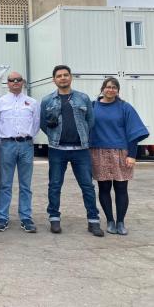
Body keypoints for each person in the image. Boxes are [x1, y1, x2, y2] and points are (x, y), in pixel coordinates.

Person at [40, 65, 104, 237]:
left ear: (71, 77)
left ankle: (93, 221)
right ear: (54, 80)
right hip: (57, 150)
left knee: (87, 186)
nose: (63, 78)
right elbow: (43, 124)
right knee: (54, 186)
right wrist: (55, 136)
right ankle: (54, 218)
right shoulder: (47, 101)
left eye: (65, 75)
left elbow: (90, 121)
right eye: (59, 76)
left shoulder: (83, 98)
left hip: (80, 150)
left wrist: (81, 135)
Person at [90, 77, 149, 235]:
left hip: (120, 153)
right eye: (108, 87)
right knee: (104, 187)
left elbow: (135, 132)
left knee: (121, 188)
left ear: (118, 90)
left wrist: (132, 155)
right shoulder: (92, 106)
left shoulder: (125, 107)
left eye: (114, 87)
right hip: (98, 151)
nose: (111, 90)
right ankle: (110, 220)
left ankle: (121, 222)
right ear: (102, 88)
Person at [0, 71, 40, 233]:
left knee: (25, 184)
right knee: (5, 183)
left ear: (23, 82)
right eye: (12, 80)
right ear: (8, 83)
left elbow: (36, 124)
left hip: (26, 145)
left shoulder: (32, 102)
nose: (15, 82)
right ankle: (2, 217)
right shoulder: (0, 103)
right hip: (7, 145)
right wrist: (3, 141)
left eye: (18, 80)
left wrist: (26, 137)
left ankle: (26, 217)